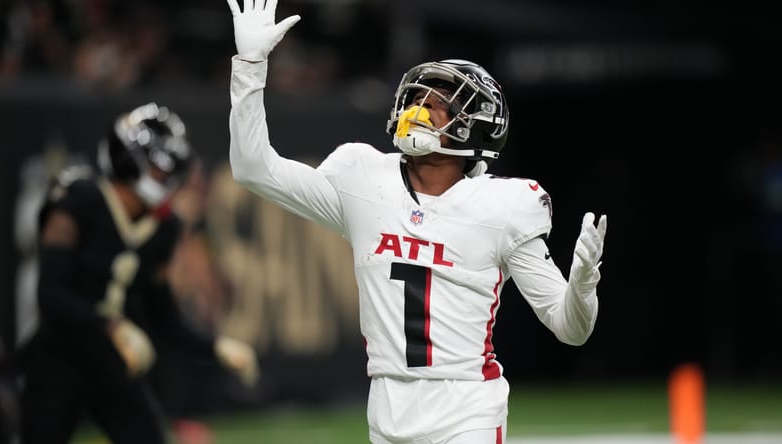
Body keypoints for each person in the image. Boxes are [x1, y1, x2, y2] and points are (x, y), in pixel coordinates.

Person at [223, 1, 607, 443]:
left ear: (474, 126)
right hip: (387, 408)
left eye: (438, 103)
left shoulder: (503, 205)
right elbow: (253, 168)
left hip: (467, 410)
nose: (419, 109)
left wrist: (581, 286)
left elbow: (570, 328)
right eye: (417, 97)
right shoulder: (363, 177)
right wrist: (250, 66)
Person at [18, 102, 258, 444]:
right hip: (59, 360)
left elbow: (163, 313)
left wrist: (215, 347)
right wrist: (111, 327)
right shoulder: (78, 199)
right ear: (131, 158)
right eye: (161, 167)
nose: (168, 177)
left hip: (111, 364)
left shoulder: (164, 227)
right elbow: (51, 295)